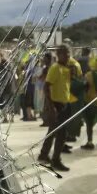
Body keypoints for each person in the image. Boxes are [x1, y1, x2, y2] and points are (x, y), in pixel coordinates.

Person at [38, 45, 73, 173]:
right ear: (59, 54)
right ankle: (55, 160)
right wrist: (51, 107)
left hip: (64, 104)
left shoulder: (66, 69)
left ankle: (43, 155)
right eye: (65, 54)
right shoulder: (55, 68)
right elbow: (46, 87)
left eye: (69, 54)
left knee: (53, 131)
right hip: (56, 105)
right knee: (60, 134)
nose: (68, 56)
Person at [80, 56, 97, 150]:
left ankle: (90, 142)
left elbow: (86, 87)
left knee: (89, 123)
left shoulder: (89, 75)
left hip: (91, 101)